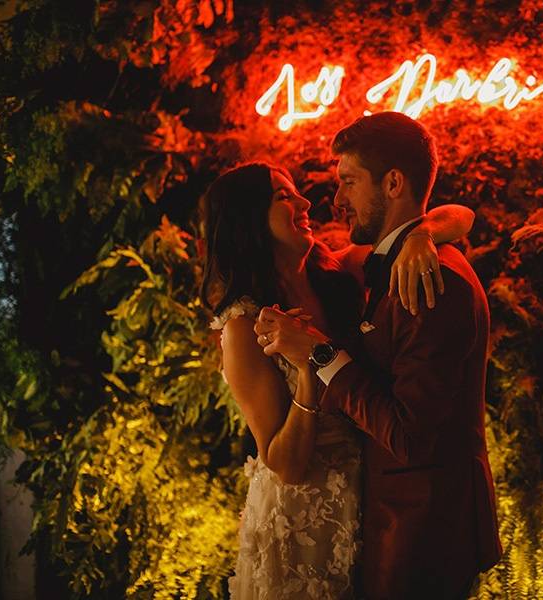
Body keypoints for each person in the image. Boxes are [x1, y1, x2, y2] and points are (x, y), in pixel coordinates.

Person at [198, 161, 474, 599]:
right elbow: (285, 465)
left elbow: (460, 215)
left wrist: (422, 236)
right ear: (248, 219)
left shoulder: (340, 272)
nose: (305, 202)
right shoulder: (243, 329)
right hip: (302, 522)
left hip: (367, 502)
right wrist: (307, 368)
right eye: (283, 196)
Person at [255, 113, 502, 599]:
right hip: (386, 515)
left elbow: (410, 437)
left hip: (425, 527)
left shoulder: (431, 281)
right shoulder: (378, 263)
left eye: (348, 182)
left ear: (393, 183)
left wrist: (320, 354)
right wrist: (423, 230)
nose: (336, 199)